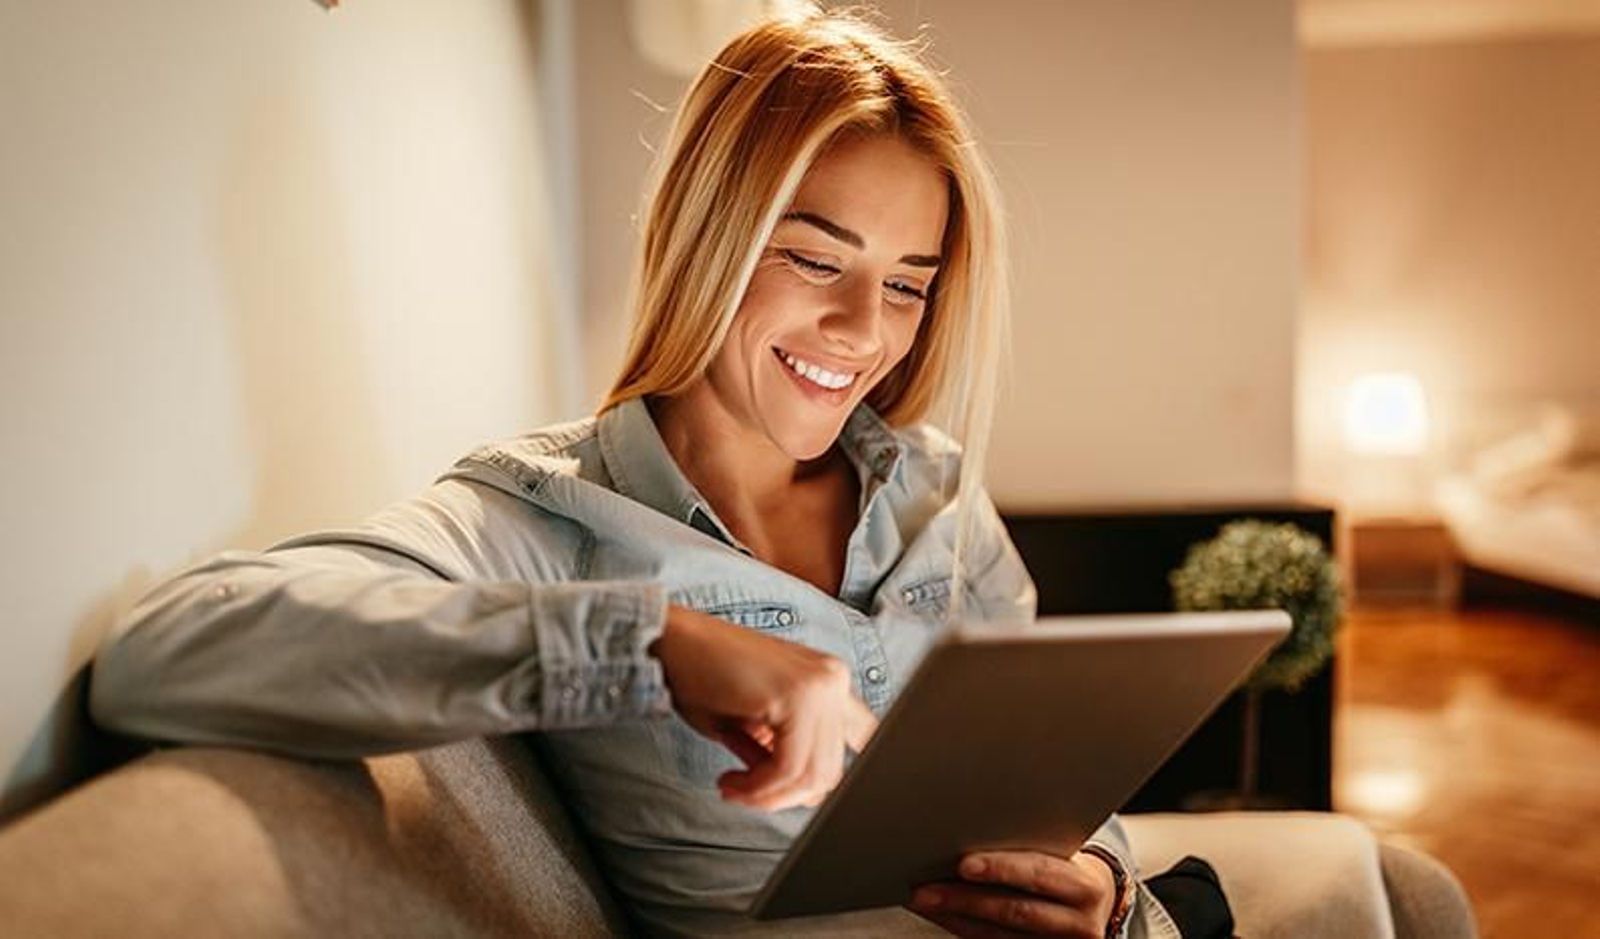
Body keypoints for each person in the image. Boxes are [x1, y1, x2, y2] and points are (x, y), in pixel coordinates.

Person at [91, 9, 1190, 938]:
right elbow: (164, 651)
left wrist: (1102, 886)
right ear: (704, 236)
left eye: (907, 284)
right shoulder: (546, 515)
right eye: (815, 258)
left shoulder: (939, 497)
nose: (865, 331)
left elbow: (1053, 805)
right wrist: (653, 641)